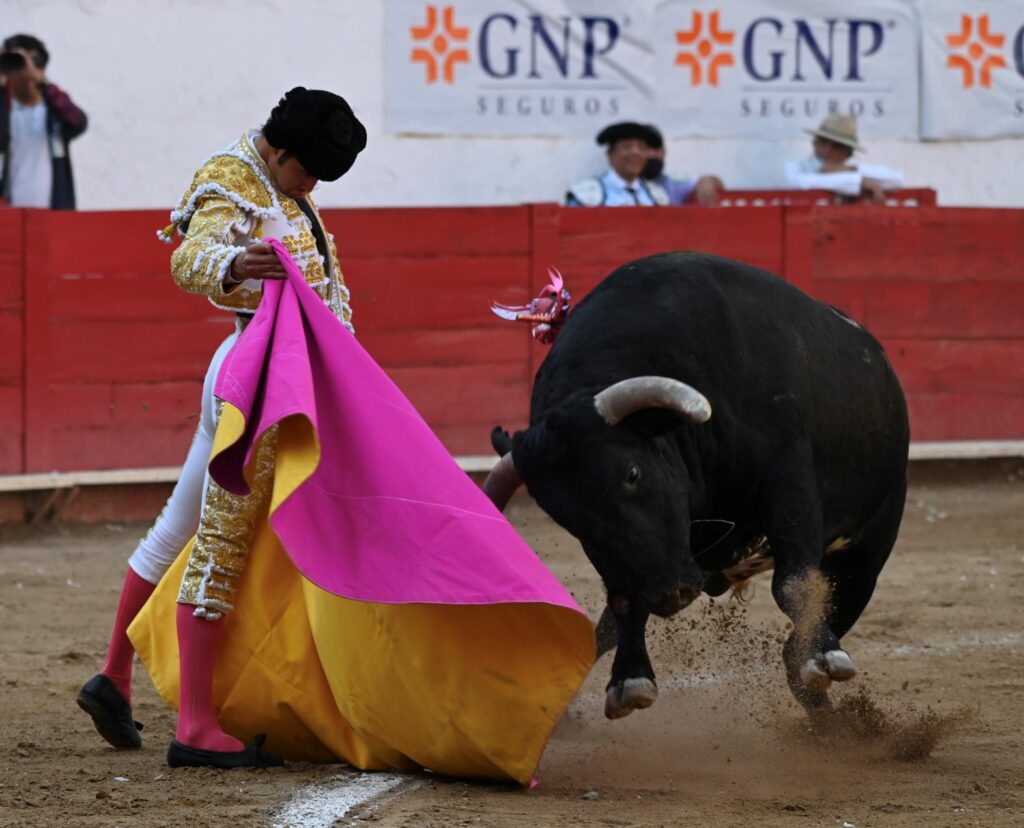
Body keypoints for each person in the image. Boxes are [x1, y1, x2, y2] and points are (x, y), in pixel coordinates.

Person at [77, 86, 366, 768]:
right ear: (280, 148)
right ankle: (196, 726)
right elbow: (190, 258)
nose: (312, 185)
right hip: (256, 378)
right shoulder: (231, 177)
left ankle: (113, 676)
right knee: (223, 540)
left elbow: (327, 291)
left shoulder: (284, 187)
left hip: (264, 371)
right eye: (307, 171)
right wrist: (234, 263)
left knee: (177, 527)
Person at [0, 33, 88, 209]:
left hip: (55, 214)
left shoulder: (55, 112)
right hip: (11, 215)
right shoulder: (6, 110)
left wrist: (43, 84)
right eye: (19, 63)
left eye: (36, 62)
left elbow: (78, 122)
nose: (27, 72)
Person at [784, 113, 903, 203]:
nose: (828, 150)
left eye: (837, 146)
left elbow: (895, 179)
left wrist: (848, 171)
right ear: (815, 143)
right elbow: (798, 182)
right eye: (823, 142)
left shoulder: (850, 170)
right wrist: (858, 180)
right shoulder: (795, 164)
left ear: (848, 153)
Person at [565, 121, 669, 206]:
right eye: (626, 147)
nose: (635, 153)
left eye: (641, 148)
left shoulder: (657, 196)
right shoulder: (586, 195)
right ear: (610, 154)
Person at [641, 124, 724, 206]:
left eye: (657, 148)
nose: (652, 154)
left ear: (663, 152)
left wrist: (706, 180)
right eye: (645, 148)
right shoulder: (633, 186)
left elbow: (707, 183)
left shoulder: (671, 185)